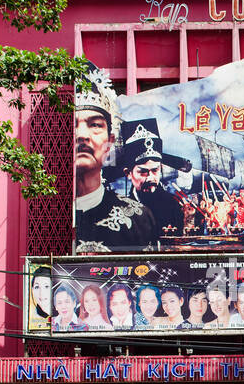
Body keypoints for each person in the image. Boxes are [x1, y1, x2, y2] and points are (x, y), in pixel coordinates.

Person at [73, 65, 158, 252]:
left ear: (110, 141)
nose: (82, 135)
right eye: (73, 124)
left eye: (94, 125)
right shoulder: (42, 216)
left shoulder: (138, 217)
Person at [118, 118, 190, 237]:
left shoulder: (173, 205)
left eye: (155, 170)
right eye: (143, 172)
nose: (150, 178)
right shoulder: (120, 209)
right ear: (128, 173)